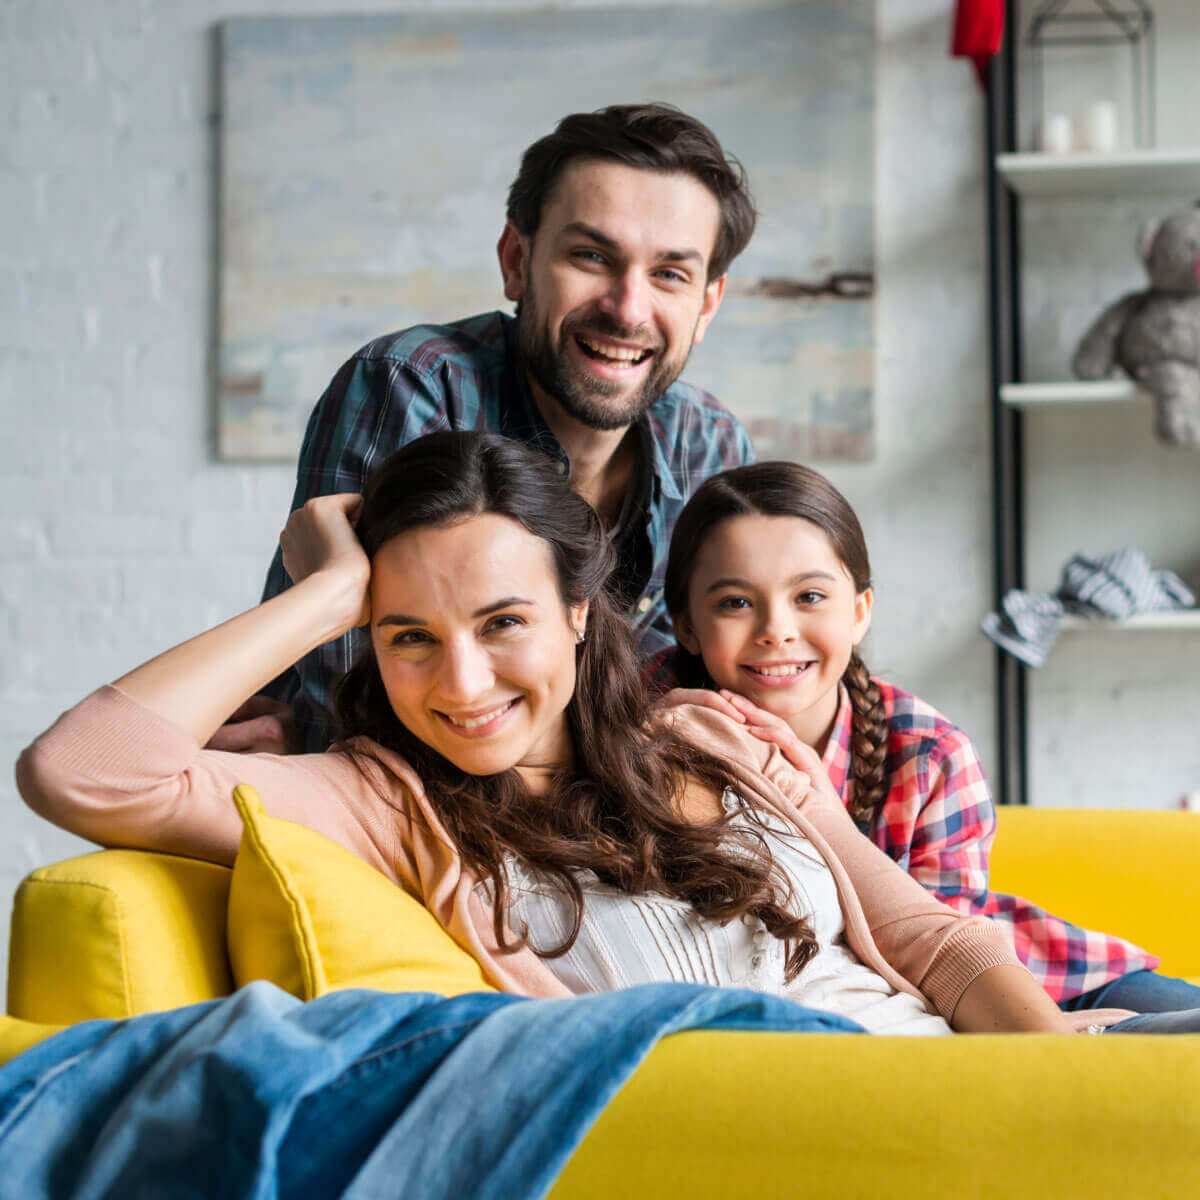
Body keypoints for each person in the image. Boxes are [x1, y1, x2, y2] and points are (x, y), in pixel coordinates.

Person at [20, 430, 1139, 1038]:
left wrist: (1052, 1083)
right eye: (408, 636)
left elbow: (933, 942)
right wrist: (323, 595)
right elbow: (78, 773)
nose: (462, 684)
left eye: (502, 621)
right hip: (811, 1121)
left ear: (576, 612)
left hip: (976, 1079)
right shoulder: (380, 798)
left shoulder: (707, 732)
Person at [225, 102, 757, 756]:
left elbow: (722, 698)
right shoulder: (410, 386)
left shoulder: (712, 444)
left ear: (706, 304)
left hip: (604, 809)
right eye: (591, 256)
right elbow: (367, 708)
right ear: (516, 261)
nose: (628, 309)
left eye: (670, 274)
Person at [653, 459, 1200, 1023]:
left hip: (1026, 977)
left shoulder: (931, 754)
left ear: (859, 612)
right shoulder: (640, 730)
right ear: (686, 624)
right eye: (736, 602)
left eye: (809, 596)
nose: (777, 630)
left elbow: (947, 962)